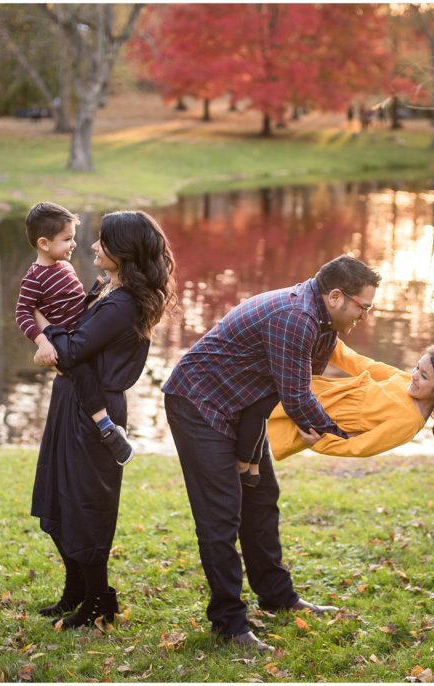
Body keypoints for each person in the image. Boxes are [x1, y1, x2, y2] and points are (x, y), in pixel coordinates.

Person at [163, 254, 380, 652]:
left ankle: (277, 596)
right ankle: (228, 624)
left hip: (241, 405)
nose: (365, 314)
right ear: (336, 296)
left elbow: (273, 395)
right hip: (199, 403)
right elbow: (297, 400)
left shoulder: (323, 326)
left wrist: (248, 455)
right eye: (363, 306)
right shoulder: (295, 318)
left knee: (261, 498)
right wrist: (350, 434)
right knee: (221, 514)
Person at [30, 210, 176, 629]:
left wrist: (42, 325)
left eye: (103, 241)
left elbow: (73, 351)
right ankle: (76, 589)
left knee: (85, 506)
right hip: (71, 404)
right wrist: (55, 336)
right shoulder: (107, 289)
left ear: (123, 251)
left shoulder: (124, 304)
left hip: (94, 417)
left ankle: (99, 600)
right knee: (59, 498)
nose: (93, 246)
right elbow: (75, 345)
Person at [236, 340, 434, 475]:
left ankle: (245, 464)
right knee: (256, 389)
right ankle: (252, 468)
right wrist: (332, 340)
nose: (414, 376)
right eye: (417, 368)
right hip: (318, 391)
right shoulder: (403, 381)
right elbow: (363, 364)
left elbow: (361, 446)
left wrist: (319, 442)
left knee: (253, 405)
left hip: (314, 415)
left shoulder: (408, 422)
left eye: (424, 376)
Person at [15, 202, 134, 465]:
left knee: (89, 371)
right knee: (83, 375)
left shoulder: (65, 268)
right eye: (67, 239)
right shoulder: (34, 278)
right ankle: (106, 427)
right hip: (62, 343)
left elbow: (76, 303)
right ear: (44, 243)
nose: (74, 244)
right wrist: (42, 342)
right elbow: (22, 313)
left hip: (78, 336)